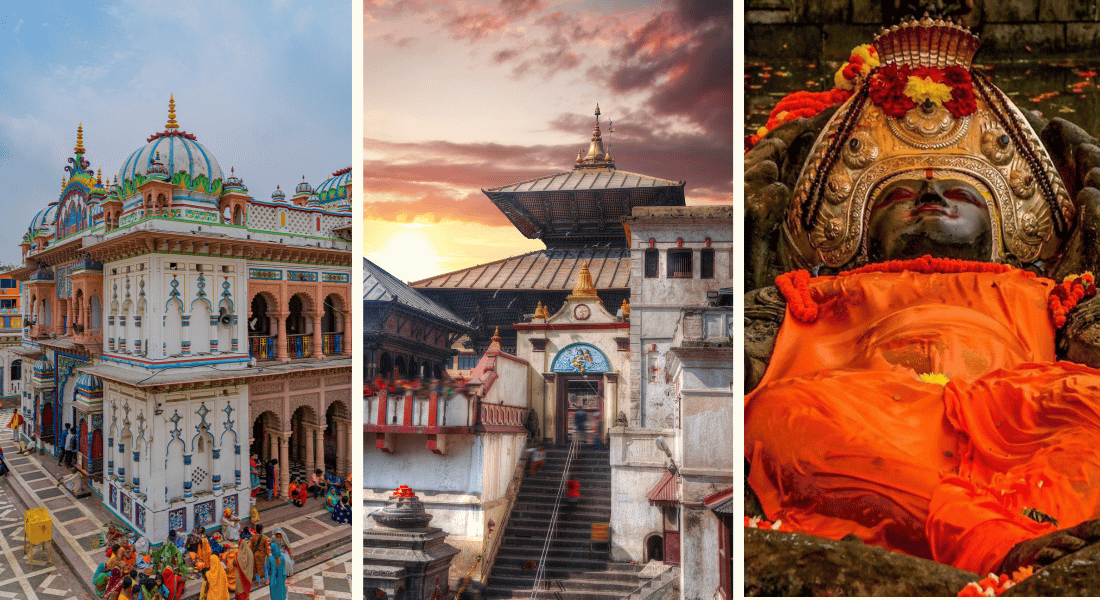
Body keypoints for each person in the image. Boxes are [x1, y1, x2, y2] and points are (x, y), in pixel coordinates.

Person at [744, 16, 1100, 577]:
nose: (931, 194)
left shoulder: (1045, 291)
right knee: (778, 414)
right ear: (862, 225)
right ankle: (991, 536)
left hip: (1012, 409)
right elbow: (734, 358)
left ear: (1002, 222)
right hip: (870, 416)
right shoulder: (812, 291)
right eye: (903, 192)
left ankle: (1033, 518)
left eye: (957, 191)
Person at [233, 533, 253, 600]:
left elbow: (234, 564)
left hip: (240, 576)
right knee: (246, 589)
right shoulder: (250, 553)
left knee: (240, 590)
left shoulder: (238, 555)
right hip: (248, 576)